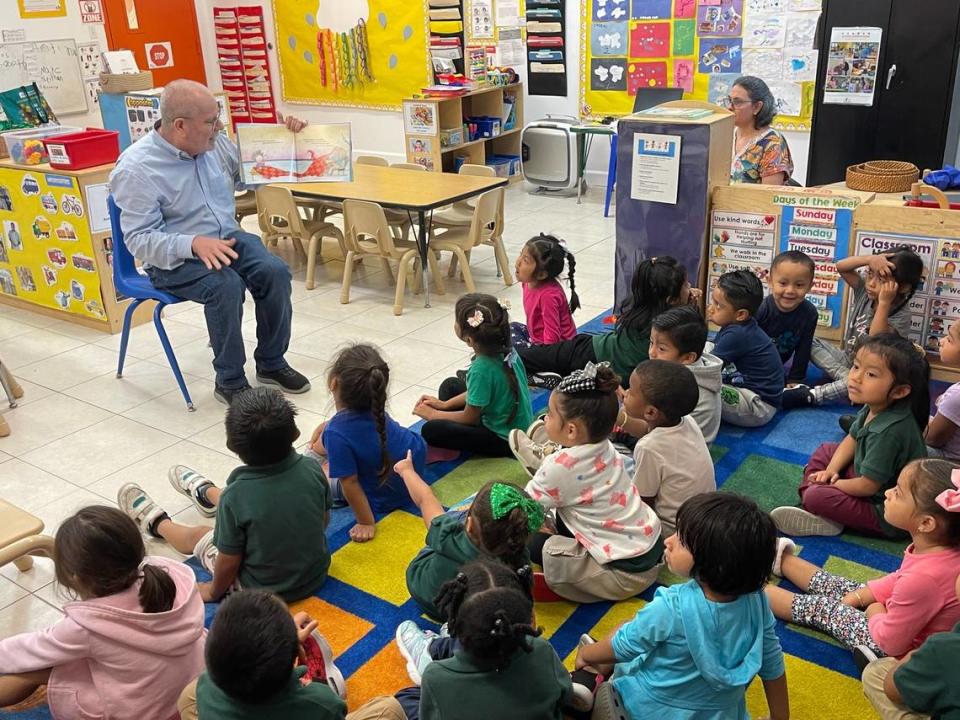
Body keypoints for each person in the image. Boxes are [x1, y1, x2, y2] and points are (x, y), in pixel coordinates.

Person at [109, 79, 311, 405]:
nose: (218, 128)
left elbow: (254, 174)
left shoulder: (214, 144)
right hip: (174, 260)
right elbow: (139, 241)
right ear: (179, 126)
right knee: (225, 285)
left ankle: (271, 362)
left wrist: (287, 141)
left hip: (226, 240)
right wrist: (192, 243)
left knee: (274, 272)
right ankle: (230, 382)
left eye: (217, 119)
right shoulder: (136, 168)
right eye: (210, 122)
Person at [575, 493, 789, 720]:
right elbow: (772, 661)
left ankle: (589, 677)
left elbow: (623, 646)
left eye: (682, 540)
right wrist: (779, 717)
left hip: (645, 709)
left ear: (714, 565)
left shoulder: (671, 607)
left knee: (623, 631)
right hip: (721, 714)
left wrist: (587, 655)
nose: (669, 541)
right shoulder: (757, 603)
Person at [118, 387, 332, 602]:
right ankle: (207, 494)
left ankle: (158, 524)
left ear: (232, 446)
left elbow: (229, 560)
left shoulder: (236, 497)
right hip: (316, 574)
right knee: (252, 506)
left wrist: (213, 591)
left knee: (200, 533)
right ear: (295, 433)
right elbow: (322, 521)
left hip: (262, 589)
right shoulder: (312, 468)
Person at [0, 507, 205, 719]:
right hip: (198, 691)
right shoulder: (173, 577)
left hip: (148, 713)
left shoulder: (87, 627)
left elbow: (26, 651)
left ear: (75, 578)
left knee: (33, 672)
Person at [767, 459, 960, 664]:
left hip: (898, 651)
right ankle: (771, 555)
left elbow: (890, 642)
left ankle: (749, 590)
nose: (887, 493)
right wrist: (862, 595)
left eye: (898, 492)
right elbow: (899, 578)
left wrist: (875, 611)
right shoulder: (940, 549)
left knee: (823, 608)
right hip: (905, 617)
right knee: (837, 584)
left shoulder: (923, 579)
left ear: (926, 523)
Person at [524, 362, 664, 603]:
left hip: (623, 575)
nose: (545, 417)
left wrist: (535, 524)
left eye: (550, 414)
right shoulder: (606, 447)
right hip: (651, 547)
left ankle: (563, 586)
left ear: (571, 431)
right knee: (563, 509)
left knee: (535, 543)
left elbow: (522, 506)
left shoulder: (560, 466)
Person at [771, 333, 929, 538]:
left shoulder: (890, 432)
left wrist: (831, 484)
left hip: (887, 511)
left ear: (899, 391)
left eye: (871, 374)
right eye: (856, 367)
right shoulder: (876, 406)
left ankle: (821, 510)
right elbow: (852, 439)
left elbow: (867, 486)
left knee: (816, 495)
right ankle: (824, 505)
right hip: (871, 481)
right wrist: (830, 471)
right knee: (827, 450)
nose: (855, 377)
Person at [177, 589, 403, 720]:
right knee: (389, 710)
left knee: (188, 696)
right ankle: (315, 678)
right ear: (297, 655)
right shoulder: (321, 703)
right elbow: (335, 710)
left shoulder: (207, 686)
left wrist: (283, 641)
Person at [393, 559, 574, 720]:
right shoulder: (542, 650)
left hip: (446, 682)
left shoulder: (435, 678)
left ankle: (435, 649)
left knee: (405, 699)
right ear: (530, 620)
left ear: (454, 625)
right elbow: (565, 695)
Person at [307, 344, 427, 542]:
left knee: (313, 477)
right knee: (332, 443)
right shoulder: (376, 409)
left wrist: (365, 521)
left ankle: (313, 455)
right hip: (413, 475)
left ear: (333, 383)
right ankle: (319, 452)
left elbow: (350, 483)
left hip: (383, 495)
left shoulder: (336, 431)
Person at [517, 256, 698, 387]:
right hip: (586, 355)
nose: (690, 288)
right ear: (670, 299)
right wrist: (689, 309)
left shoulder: (645, 310)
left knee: (534, 356)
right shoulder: (664, 328)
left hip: (592, 352)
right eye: (686, 285)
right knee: (522, 357)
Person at [397, 456, 539, 622]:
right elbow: (527, 607)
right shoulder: (520, 558)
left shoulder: (449, 536)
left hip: (425, 594)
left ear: (469, 524)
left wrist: (406, 470)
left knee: (448, 520)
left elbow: (425, 498)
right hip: (471, 616)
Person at [783, 246, 923, 408]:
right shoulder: (865, 292)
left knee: (862, 378)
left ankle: (813, 395)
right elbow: (841, 266)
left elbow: (876, 341)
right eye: (870, 274)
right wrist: (870, 259)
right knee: (809, 342)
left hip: (871, 371)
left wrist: (884, 303)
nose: (871, 283)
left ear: (904, 287)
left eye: (882, 280)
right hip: (848, 359)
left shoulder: (901, 315)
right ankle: (847, 378)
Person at [416, 293, 533, 457]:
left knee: (431, 430)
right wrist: (445, 405)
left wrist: (434, 415)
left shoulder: (480, 369)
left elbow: (469, 417)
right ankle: (451, 416)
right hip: (515, 425)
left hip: (504, 440)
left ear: (469, 340)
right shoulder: (508, 349)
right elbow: (480, 390)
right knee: (450, 385)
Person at [620, 360, 717, 536]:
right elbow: (647, 430)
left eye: (631, 392)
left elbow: (643, 500)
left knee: (614, 470)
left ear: (650, 412)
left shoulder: (649, 447)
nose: (625, 393)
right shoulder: (687, 421)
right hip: (703, 519)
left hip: (672, 531)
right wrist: (619, 417)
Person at [861, 573, 960, 720]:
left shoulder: (943, 648)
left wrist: (913, 657)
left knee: (873, 673)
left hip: (902, 652)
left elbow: (892, 689)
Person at [709, 269, 785, 427]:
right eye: (713, 301)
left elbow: (708, 371)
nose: (711, 308)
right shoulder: (739, 326)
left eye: (718, 305)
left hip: (759, 406)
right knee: (704, 348)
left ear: (741, 314)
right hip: (752, 393)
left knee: (699, 387)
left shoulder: (737, 334)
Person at [648, 305, 722, 445]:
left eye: (661, 348)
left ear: (688, 358)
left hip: (681, 454)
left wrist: (622, 417)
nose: (652, 352)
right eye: (651, 342)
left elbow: (655, 433)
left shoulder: (684, 388)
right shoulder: (677, 368)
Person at [756, 250, 819, 386]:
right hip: (751, 364)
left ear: (809, 287)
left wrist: (795, 379)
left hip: (776, 367)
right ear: (770, 282)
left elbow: (804, 348)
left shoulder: (810, 313)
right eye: (783, 283)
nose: (790, 290)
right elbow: (742, 341)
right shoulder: (761, 309)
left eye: (799, 285)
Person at [510, 233, 580, 349]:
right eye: (521, 254)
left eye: (526, 260)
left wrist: (542, 359)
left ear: (542, 274)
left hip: (559, 349)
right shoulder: (527, 282)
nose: (518, 262)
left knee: (513, 351)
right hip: (538, 340)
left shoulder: (548, 296)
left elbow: (552, 337)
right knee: (510, 329)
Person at [725, 75, 794, 185]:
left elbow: (768, 197)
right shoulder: (726, 134)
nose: (729, 107)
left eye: (737, 102)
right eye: (729, 100)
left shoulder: (773, 143)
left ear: (757, 107)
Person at [925, 320, 960, 460]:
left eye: (950, 339)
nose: (941, 341)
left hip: (948, 461)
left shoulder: (956, 396)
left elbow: (932, 439)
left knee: (896, 441)